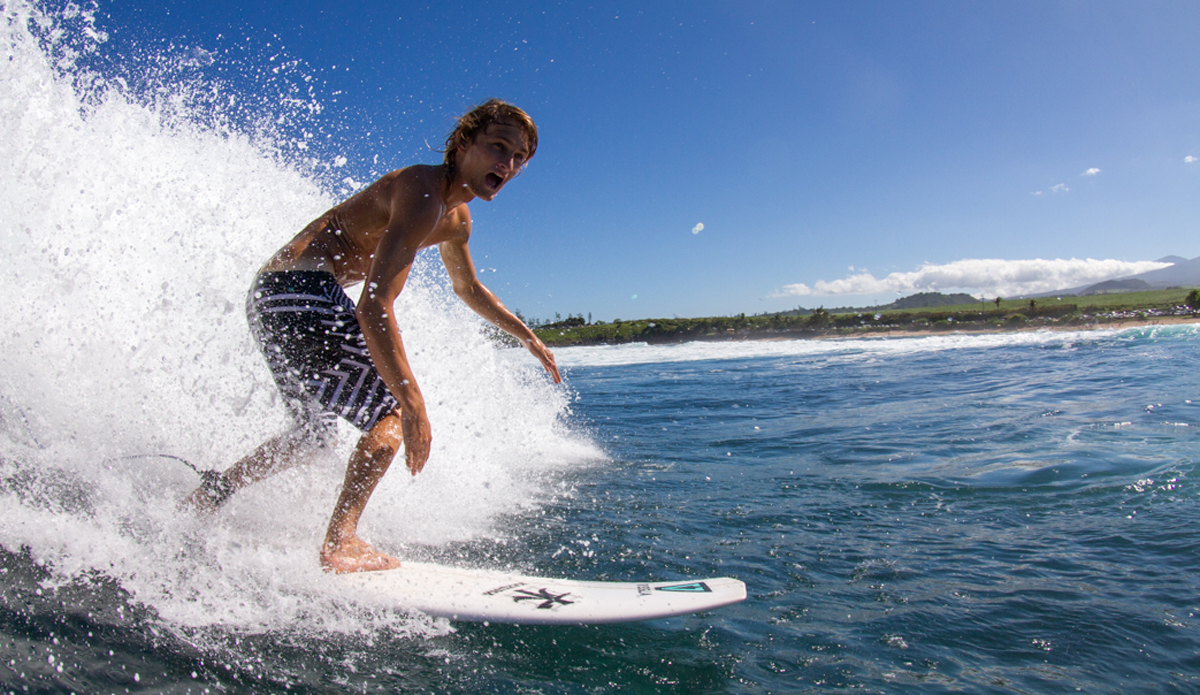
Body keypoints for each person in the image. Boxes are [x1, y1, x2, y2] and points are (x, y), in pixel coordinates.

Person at [183, 99, 561, 573]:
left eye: (518, 158)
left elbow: (467, 288)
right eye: (497, 147)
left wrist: (526, 336)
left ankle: (212, 493)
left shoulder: (456, 219)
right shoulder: (422, 190)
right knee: (389, 419)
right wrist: (412, 403)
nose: (507, 164)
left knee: (311, 438)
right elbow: (374, 305)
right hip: (297, 290)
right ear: (464, 143)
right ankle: (340, 541)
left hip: (272, 296)